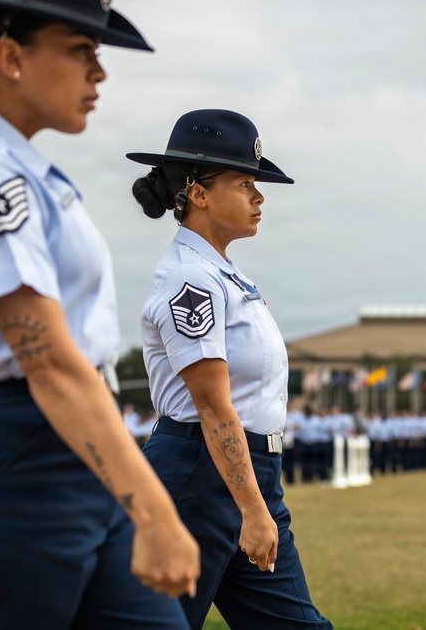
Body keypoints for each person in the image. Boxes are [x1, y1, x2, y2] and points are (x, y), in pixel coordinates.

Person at [0, 0, 199, 628]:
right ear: (9, 55)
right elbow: (47, 361)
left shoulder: (19, 169)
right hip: (19, 466)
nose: (100, 72)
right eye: (81, 49)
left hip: (75, 451)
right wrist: (154, 510)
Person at [129, 109, 334, 630]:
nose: (259, 196)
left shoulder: (225, 274)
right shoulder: (189, 279)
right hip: (198, 475)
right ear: (198, 194)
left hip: (245, 475)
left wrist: (256, 501)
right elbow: (213, 404)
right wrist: (252, 509)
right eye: (245, 183)